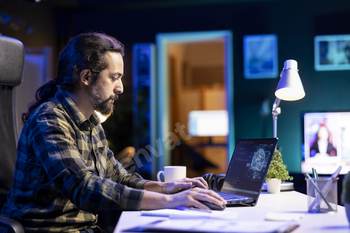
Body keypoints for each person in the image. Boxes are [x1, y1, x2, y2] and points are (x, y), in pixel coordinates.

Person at [1, 32, 226, 232]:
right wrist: (170, 202)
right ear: (86, 77)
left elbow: (117, 176)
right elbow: (83, 187)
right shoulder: (49, 119)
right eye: (114, 78)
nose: (120, 88)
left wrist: (164, 188)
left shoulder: (92, 122)